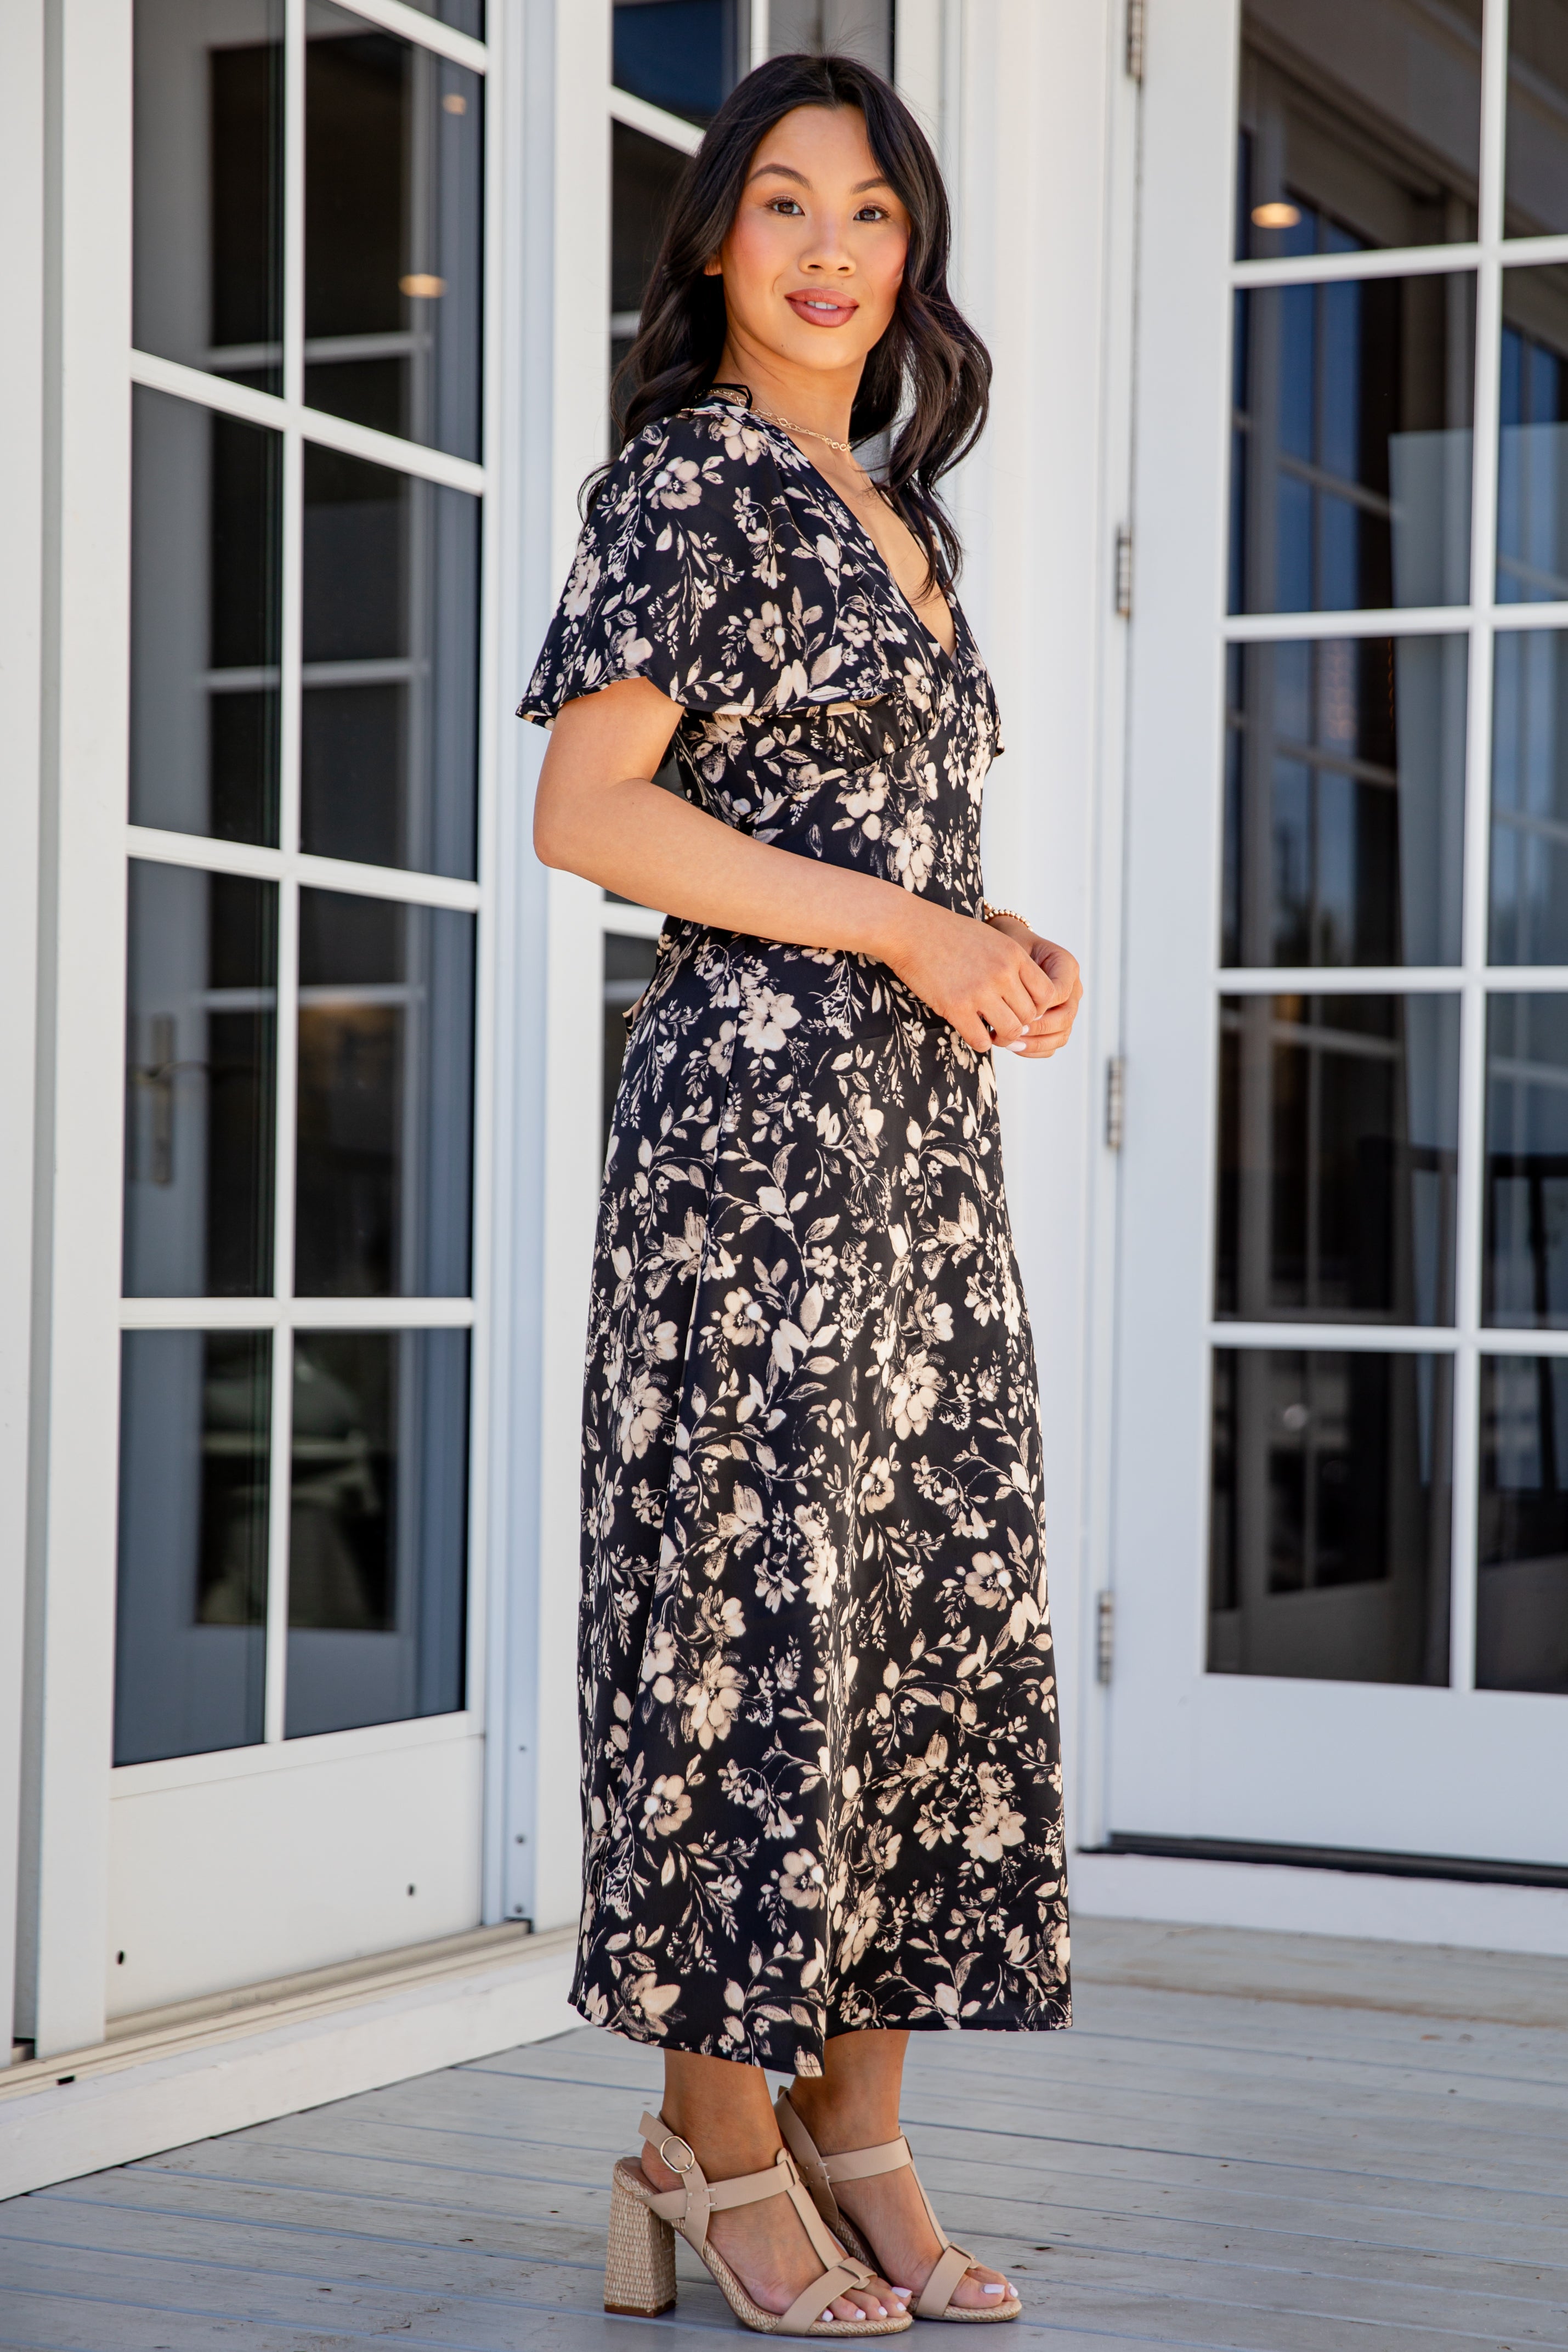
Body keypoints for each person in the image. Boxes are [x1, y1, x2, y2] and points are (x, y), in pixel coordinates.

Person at [520, 49, 1079, 2339]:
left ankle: (858, 2128)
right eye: (781, 206)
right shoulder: (688, 484)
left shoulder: (901, 520)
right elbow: (593, 816)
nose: (832, 246)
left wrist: (991, 941)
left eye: (869, 209)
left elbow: (885, 850)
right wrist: (899, 930)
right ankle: (708, 2142)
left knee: (922, 1629)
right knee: (744, 1634)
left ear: (908, 252)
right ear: (715, 252)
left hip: (915, 1165)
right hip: (748, 1156)